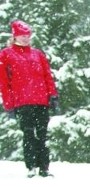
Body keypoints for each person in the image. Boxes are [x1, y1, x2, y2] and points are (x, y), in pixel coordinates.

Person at [0, 20, 59, 178]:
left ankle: (44, 167)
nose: (25, 38)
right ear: (14, 36)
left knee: (42, 134)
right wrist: (9, 104)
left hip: (41, 100)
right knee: (28, 134)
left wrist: (52, 95)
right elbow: (4, 82)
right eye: (21, 35)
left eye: (27, 35)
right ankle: (31, 166)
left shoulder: (37, 54)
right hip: (22, 101)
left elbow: (47, 75)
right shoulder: (6, 54)